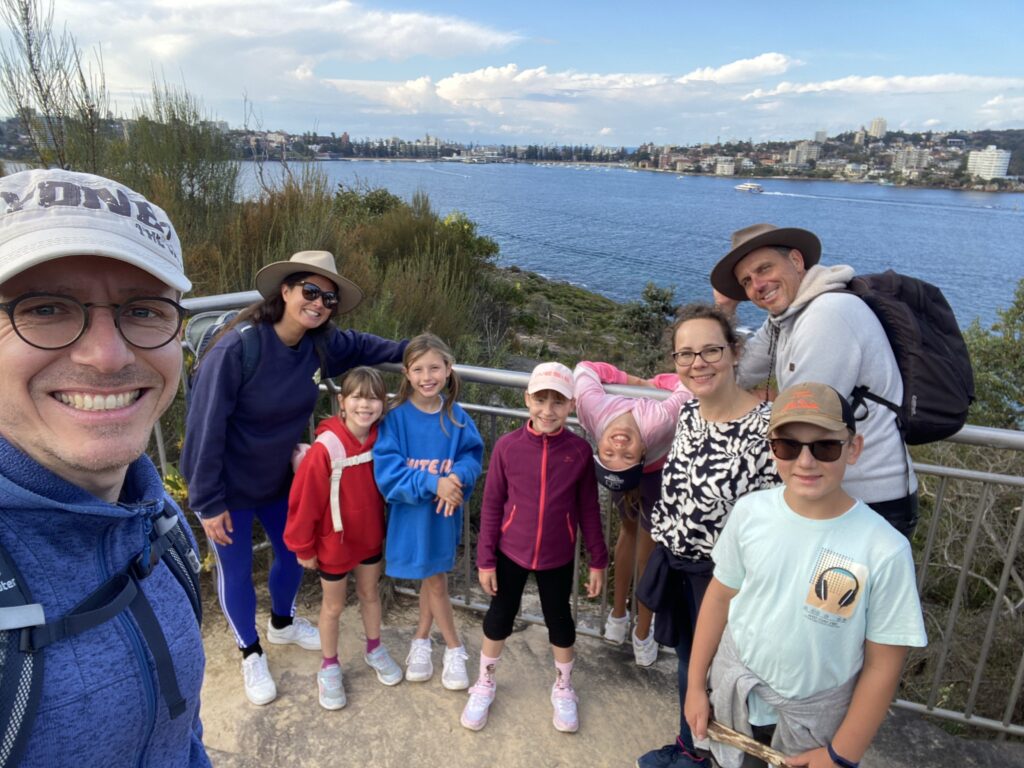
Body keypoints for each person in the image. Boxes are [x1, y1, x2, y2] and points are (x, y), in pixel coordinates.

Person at [0, 168, 208, 765]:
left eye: (143, 310)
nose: (107, 355)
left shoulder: (159, 520)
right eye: (45, 308)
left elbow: (182, 732)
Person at [181, 250, 405, 706]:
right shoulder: (236, 349)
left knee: (294, 555)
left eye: (329, 298)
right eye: (310, 291)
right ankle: (250, 651)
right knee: (236, 571)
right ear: (285, 291)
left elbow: (365, 346)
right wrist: (207, 501)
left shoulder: (318, 344)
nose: (319, 303)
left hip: (279, 478)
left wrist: (418, 354)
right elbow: (205, 427)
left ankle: (281, 624)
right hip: (227, 487)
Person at [685, 382, 927, 768]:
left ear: (854, 448)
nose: (806, 461)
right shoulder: (750, 513)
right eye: (788, 446)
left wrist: (841, 754)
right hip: (736, 702)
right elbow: (720, 596)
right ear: (772, 448)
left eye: (825, 447)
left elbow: (883, 663)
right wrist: (696, 685)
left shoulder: (884, 548)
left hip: (813, 725)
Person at [636, 303, 780, 768]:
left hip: (726, 584)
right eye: (686, 354)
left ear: (735, 352)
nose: (698, 363)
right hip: (678, 567)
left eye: (711, 351)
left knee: (725, 679)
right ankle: (691, 749)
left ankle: (711, 756)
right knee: (688, 665)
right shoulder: (689, 414)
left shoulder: (768, 429)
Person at [710, 223, 918, 537]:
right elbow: (735, 373)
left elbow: (799, 420)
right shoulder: (786, 319)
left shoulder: (827, 314)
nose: (758, 285)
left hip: (868, 504)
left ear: (796, 261)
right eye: (746, 281)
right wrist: (725, 308)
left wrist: (750, 402)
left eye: (764, 269)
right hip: (835, 495)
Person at [461, 362, 609, 733]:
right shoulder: (508, 447)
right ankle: (485, 681)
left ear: (571, 405)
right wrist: (485, 560)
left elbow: (589, 509)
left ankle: (564, 686)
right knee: (499, 616)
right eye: (540, 400)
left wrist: (598, 560)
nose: (547, 410)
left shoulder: (579, 451)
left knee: (560, 619)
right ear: (527, 399)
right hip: (510, 551)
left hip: (557, 555)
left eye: (557, 402)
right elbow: (492, 505)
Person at [285, 366, 402, 711]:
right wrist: (303, 547)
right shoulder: (326, 449)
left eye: (374, 398)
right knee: (333, 606)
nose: (365, 405)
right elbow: (304, 501)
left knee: (370, 594)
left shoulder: (382, 439)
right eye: (358, 397)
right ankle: (329, 665)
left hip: (369, 536)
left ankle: (374, 648)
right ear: (342, 401)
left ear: (383, 404)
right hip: (333, 543)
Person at [372, 332, 484, 690]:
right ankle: (454, 646)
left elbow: (472, 457)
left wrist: (456, 478)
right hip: (410, 517)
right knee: (434, 580)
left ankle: (422, 639)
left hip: (442, 516)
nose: (427, 377)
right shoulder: (395, 419)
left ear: (448, 369)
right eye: (418, 369)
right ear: (406, 373)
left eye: (435, 368)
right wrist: (434, 483)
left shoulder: (456, 417)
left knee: (432, 576)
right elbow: (389, 474)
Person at [573, 360, 691, 665]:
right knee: (635, 536)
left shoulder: (596, 409)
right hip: (634, 476)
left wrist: (634, 382)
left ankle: (635, 624)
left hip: (653, 474)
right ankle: (627, 620)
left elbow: (585, 369)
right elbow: (686, 385)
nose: (618, 447)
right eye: (614, 453)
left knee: (644, 543)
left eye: (617, 453)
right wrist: (652, 385)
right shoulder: (655, 420)